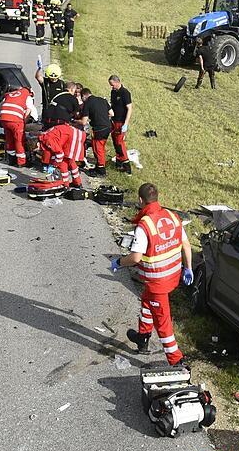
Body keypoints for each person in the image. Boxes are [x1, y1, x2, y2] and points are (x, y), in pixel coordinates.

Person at [115, 183, 193, 367]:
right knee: (146, 301)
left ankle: (177, 360)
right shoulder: (173, 217)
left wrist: (119, 263)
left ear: (141, 200)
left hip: (157, 280)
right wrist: (188, 268)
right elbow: (187, 245)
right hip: (172, 276)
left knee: (163, 322)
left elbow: (135, 258)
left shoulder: (144, 226)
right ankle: (143, 338)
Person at [38, 120, 87, 188]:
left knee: (63, 163)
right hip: (77, 135)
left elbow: (59, 154)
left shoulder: (47, 139)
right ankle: (77, 182)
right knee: (71, 161)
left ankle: (65, 184)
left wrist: (54, 165)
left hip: (72, 137)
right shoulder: (47, 135)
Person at [0, 85, 37, 167]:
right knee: (19, 140)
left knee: (9, 138)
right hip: (15, 120)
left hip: (4, 118)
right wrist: (24, 123)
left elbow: (1, 106)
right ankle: (21, 162)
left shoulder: (11, 94)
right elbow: (28, 112)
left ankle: (11, 159)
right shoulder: (27, 96)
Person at [79, 88, 113, 176]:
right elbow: (112, 113)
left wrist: (74, 121)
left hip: (99, 128)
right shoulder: (102, 100)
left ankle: (101, 170)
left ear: (84, 96)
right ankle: (99, 166)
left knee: (98, 148)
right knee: (101, 146)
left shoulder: (87, 103)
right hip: (108, 126)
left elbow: (83, 121)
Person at [109, 75, 134, 173]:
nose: (112, 87)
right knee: (115, 141)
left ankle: (126, 165)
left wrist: (126, 123)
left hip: (121, 122)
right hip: (114, 121)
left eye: (112, 84)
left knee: (119, 143)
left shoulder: (125, 93)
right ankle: (119, 162)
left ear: (117, 82)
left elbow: (129, 108)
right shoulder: (113, 92)